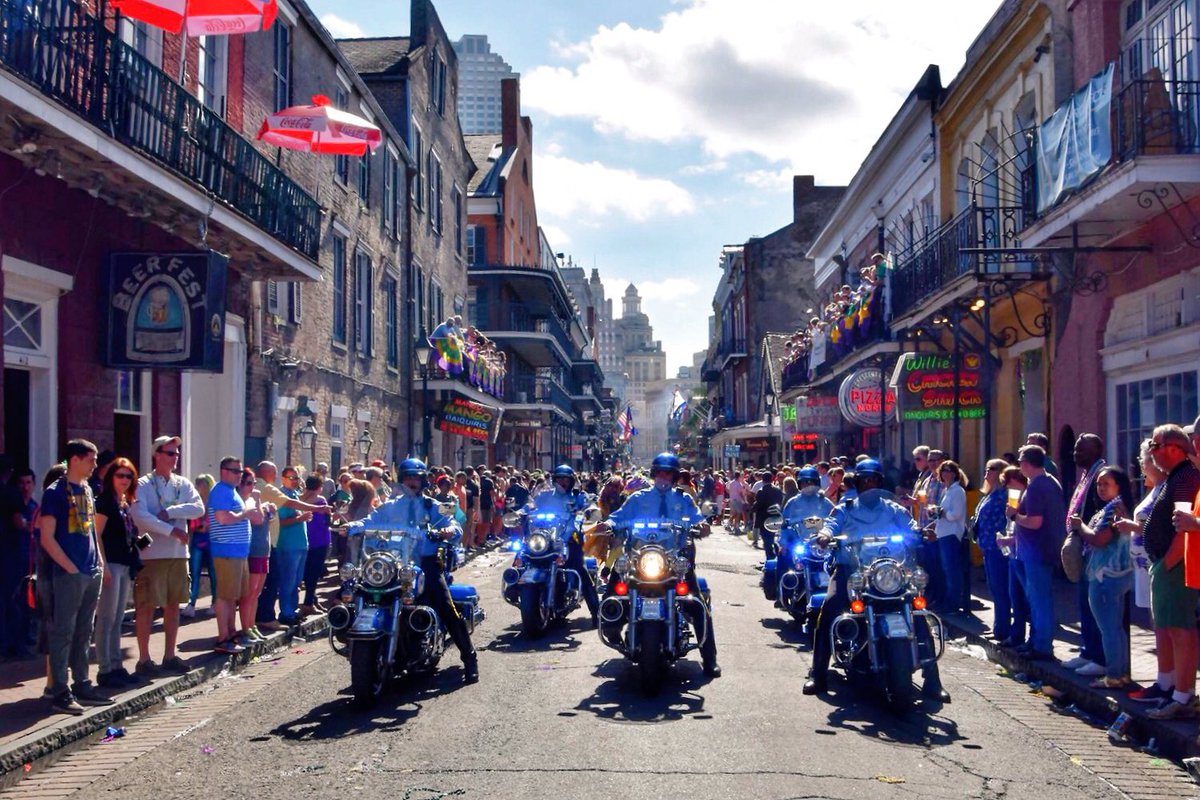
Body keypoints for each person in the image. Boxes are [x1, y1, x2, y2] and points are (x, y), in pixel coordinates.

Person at [802, 458, 949, 702]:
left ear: (881, 482)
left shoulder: (893, 509)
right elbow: (830, 525)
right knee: (829, 609)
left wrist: (920, 532)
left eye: (874, 480)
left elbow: (910, 524)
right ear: (858, 483)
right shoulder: (845, 508)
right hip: (852, 569)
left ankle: (932, 681)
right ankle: (818, 673)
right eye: (865, 480)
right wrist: (825, 535)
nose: (869, 484)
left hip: (889, 572)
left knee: (919, 613)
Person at [344, 458, 478, 684]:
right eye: (407, 478)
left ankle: (470, 658)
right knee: (359, 592)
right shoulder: (390, 505)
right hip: (395, 564)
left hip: (425, 564)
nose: (412, 482)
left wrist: (447, 530)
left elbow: (453, 523)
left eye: (416, 477)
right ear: (401, 480)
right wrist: (351, 526)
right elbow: (370, 520)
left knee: (446, 606)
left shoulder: (434, 505)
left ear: (424, 480)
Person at [600, 453, 721, 677]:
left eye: (669, 473)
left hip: (674, 559)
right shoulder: (638, 498)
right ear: (654, 474)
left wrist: (702, 525)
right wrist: (608, 523)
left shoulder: (683, 500)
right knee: (615, 586)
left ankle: (709, 657)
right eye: (661, 472)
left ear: (675, 476)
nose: (664, 477)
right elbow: (619, 516)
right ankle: (610, 624)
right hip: (640, 556)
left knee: (696, 601)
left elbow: (696, 518)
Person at [1124, 425, 1200, 717]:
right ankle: (1168, 686)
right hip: (1165, 564)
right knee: (1167, 628)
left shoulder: (1184, 477)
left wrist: (1168, 561)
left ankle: (1182, 696)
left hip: (1174, 566)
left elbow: (1184, 524)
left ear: (1176, 448)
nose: (1151, 452)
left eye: (1156, 445)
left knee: (1180, 630)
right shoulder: (1175, 477)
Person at [40, 440, 113, 714]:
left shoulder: (88, 489)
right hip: (70, 573)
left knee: (85, 632)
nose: (95, 465)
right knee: (64, 632)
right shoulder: (54, 493)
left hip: (91, 568)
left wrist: (100, 562)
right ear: (75, 460)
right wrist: (69, 567)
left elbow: (92, 530)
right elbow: (47, 537)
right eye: (90, 460)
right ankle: (60, 689)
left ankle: (82, 683)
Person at [130, 435, 205, 677]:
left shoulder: (182, 484)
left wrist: (171, 511)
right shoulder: (143, 484)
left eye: (177, 454)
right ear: (157, 454)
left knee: (173, 605)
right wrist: (170, 529)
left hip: (177, 554)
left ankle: (169, 655)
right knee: (146, 607)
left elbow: (198, 508)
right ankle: (144, 659)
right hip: (152, 555)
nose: (175, 458)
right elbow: (140, 516)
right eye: (170, 453)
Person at [1069, 465, 1134, 689]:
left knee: (1109, 627)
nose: (1101, 487)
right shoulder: (1114, 507)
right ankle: (1120, 673)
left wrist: (1080, 526)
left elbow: (1099, 539)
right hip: (1111, 573)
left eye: (1107, 483)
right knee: (1114, 627)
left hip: (1107, 574)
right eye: (1098, 483)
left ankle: (1115, 675)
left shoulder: (1114, 509)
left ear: (1119, 486)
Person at [1005, 444, 1066, 661]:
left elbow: (1035, 522)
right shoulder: (1048, 482)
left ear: (1026, 463)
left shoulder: (1039, 485)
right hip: (1036, 549)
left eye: (1021, 462)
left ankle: (1042, 646)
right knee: (1037, 598)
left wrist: (1014, 516)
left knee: (1039, 600)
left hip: (1037, 551)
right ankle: (1037, 641)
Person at [93, 458, 144, 688]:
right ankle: (105, 669)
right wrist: (103, 566)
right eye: (120, 475)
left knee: (117, 618)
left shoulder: (124, 502)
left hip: (124, 564)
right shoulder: (104, 502)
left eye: (128, 476)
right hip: (111, 564)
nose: (124, 480)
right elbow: (97, 535)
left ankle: (116, 665)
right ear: (110, 477)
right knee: (106, 618)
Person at [1061, 433, 1108, 677]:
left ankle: (1100, 656)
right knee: (1083, 602)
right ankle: (1088, 651)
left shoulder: (1102, 475)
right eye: (1076, 449)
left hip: (1095, 549)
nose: (1076, 453)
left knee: (1094, 605)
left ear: (1096, 450)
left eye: (1082, 449)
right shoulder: (1086, 475)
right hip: (1083, 547)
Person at [532, 465, 599, 627]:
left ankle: (596, 612)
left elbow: (588, 506)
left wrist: (588, 511)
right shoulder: (545, 495)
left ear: (571, 481)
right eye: (559, 479)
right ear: (554, 480)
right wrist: (520, 513)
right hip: (546, 540)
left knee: (580, 569)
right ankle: (515, 585)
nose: (562, 482)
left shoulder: (578, 496)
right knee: (523, 557)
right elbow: (531, 506)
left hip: (569, 541)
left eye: (566, 479)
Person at [206, 456, 255, 653]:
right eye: (236, 471)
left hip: (237, 551)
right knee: (225, 596)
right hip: (226, 551)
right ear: (224, 471)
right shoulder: (220, 491)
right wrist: (246, 513)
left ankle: (232, 633)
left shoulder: (230, 491)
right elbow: (223, 518)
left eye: (241, 472)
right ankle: (223, 638)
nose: (239, 476)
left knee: (233, 595)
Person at [973, 459, 1016, 643]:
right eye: (985, 469)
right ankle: (999, 627)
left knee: (1001, 588)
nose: (986, 473)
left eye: (990, 469)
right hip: (987, 545)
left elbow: (1010, 518)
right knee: (994, 588)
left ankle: (1003, 629)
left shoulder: (1007, 493)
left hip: (999, 547)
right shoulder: (990, 493)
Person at [995, 467, 1032, 648]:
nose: (1006, 486)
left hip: (1025, 552)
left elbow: (1032, 525)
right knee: (1015, 596)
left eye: (1008, 482)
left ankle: (1034, 639)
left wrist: (1012, 539)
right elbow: (1012, 523)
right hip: (1013, 553)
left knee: (1029, 598)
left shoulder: (1029, 496)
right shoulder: (1014, 497)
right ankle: (1016, 635)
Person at [274, 467, 312, 627]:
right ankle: (286, 612)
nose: (295, 481)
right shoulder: (282, 497)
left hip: (301, 544)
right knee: (288, 580)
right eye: (292, 478)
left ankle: (293, 610)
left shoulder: (296, 495)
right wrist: (300, 518)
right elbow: (280, 522)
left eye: (297, 478)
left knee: (297, 581)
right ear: (283, 479)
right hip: (288, 545)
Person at [239, 468, 274, 641]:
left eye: (253, 483)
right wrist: (260, 501)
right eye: (247, 483)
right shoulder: (246, 503)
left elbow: (268, 517)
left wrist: (266, 506)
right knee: (249, 593)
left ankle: (252, 625)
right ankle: (246, 627)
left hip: (263, 551)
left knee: (257, 592)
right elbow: (258, 519)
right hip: (253, 552)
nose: (251, 487)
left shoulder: (254, 502)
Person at [778, 467, 834, 574]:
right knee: (783, 564)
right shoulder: (793, 502)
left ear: (817, 483)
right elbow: (784, 524)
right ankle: (783, 588)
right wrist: (783, 544)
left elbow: (835, 520)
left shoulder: (824, 502)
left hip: (821, 545)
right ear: (799, 484)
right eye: (804, 483)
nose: (808, 485)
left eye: (811, 482)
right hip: (798, 543)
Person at [929, 460, 968, 613]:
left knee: (952, 570)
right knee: (946, 569)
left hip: (951, 534)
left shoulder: (957, 490)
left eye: (949, 470)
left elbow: (955, 514)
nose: (946, 473)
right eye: (943, 470)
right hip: (943, 533)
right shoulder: (947, 490)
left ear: (955, 473)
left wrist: (941, 512)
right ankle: (947, 601)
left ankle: (953, 604)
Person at [182, 474, 216, 619]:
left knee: (213, 573)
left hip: (211, 541)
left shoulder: (214, 502)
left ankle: (215, 603)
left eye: (199, 484)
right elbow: (192, 523)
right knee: (194, 572)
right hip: (197, 540)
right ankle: (191, 603)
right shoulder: (195, 502)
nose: (197, 487)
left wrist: (207, 526)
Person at [299, 475, 332, 618]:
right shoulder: (321, 501)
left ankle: (313, 599)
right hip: (320, 541)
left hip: (306, 540)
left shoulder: (300, 500)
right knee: (315, 574)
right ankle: (308, 604)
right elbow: (327, 521)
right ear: (319, 486)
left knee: (307, 573)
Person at [752, 470, 784, 559]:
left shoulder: (761, 491)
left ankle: (770, 559)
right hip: (775, 517)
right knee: (772, 537)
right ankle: (775, 555)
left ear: (763, 480)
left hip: (764, 519)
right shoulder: (777, 490)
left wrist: (752, 509)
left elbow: (759, 504)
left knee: (767, 540)